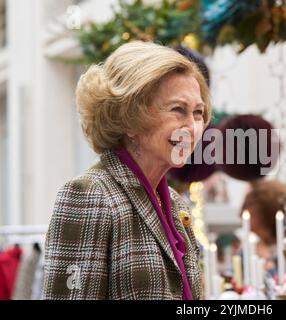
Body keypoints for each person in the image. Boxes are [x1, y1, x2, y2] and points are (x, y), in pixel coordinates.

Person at [43, 41, 211, 300]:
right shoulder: (90, 194)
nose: (192, 127)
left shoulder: (176, 205)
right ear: (129, 118)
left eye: (198, 113)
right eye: (178, 110)